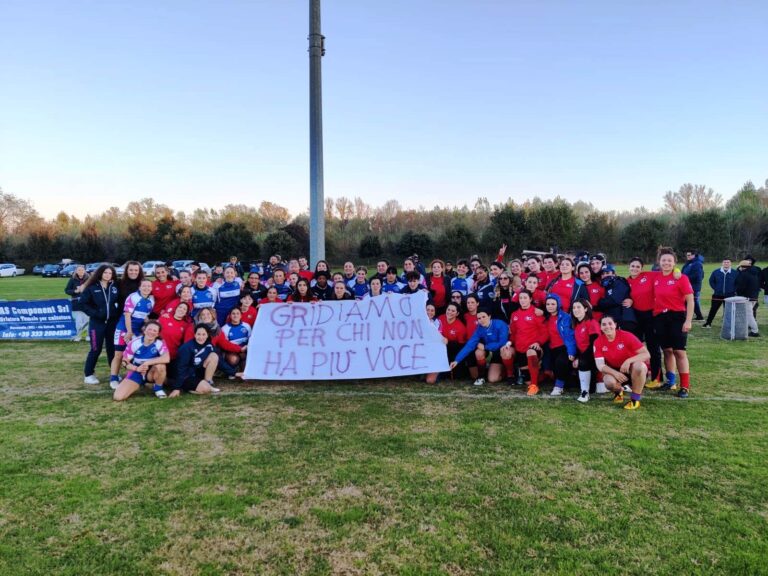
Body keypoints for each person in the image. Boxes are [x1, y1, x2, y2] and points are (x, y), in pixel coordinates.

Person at [653, 248, 694, 398]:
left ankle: (685, 386)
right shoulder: (655, 277)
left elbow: (690, 299)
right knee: (667, 351)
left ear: (674, 262)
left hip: (677, 317)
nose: (666, 263)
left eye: (670, 260)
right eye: (663, 260)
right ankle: (671, 382)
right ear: (659, 262)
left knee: (679, 351)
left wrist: (688, 320)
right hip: (660, 318)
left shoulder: (681, 277)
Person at [594, 316, 651, 410]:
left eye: (610, 323)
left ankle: (635, 400)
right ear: (600, 327)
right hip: (616, 370)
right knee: (608, 382)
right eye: (603, 324)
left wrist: (628, 361)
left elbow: (646, 354)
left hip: (632, 369)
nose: (607, 326)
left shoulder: (626, 336)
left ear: (615, 325)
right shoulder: (598, 341)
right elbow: (600, 365)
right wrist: (615, 373)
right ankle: (619, 391)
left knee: (640, 366)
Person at [110, 279, 155, 390]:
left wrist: (148, 327)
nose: (146, 288)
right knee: (119, 354)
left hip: (138, 331)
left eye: (149, 286)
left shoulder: (151, 300)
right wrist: (129, 332)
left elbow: (145, 317)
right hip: (124, 329)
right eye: (144, 286)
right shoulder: (133, 297)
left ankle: (132, 378)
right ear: (139, 287)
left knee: (136, 355)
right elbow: (127, 315)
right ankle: (113, 378)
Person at [501, 290, 548, 395]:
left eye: (525, 298)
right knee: (505, 351)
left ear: (530, 299)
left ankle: (534, 386)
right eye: (520, 298)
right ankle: (511, 376)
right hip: (520, 350)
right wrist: (509, 343)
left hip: (533, 349)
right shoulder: (514, 315)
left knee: (531, 352)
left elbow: (545, 332)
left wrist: (538, 343)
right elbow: (513, 333)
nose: (522, 300)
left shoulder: (536, 312)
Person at [80, 264, 120, 385]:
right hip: (97, 323)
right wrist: (96, 313)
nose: (108, 275)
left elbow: (119, 302)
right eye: (105, 273)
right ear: (100, 274)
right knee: (95, 349)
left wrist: (116, 312)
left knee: (112, 349)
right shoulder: (92, 287)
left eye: (110, 273)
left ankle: (114, 374)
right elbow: (83, 303)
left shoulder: (114, 287)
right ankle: (88, 374)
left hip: (112, 323)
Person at [113, 320, 170, 401]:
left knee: (161, 366)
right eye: (150, 329)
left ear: (157, 334)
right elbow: (125, 362)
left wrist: (147, 363)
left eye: (155, 331)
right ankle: (137, 383)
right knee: (118, 397)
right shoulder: (134, 342)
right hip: (137, 370)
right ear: (144, 330)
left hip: (151, 372)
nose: (151, 332)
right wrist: (136, 368)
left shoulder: (159, 343)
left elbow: (166, 358)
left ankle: (158, 388)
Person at [627, 257, 663, 385]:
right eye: (632, 266)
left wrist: (676, 270)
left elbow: (665, 271)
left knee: (653, 347)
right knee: (636, 348)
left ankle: (656, 378)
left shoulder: (649, 276)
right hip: (635, 317)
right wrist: (629, 300)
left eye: (638, 266)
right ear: (628, 267)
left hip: (650, 316)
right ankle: (636, 374)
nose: (635, 268)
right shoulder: (626, 282)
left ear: (642, 268)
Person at [449, 307, 509, 386]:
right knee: (492, 379)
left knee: (505, 351)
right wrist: (457, 360)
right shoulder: (479, 329)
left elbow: (502, 343)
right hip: (494, 353)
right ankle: (481, 376)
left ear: (489, 316)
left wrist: (485, 347)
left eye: (483, 317)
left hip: (503, 350)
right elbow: (470, 345)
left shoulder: (500, 324)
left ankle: (510, 374)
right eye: (479, 318)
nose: (481, 320)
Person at [169, 325, 220, 398]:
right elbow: (181, 368)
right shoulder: (186, 348)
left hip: (195, 371)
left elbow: (219, 359)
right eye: (198, 334)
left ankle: (207, 382)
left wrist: (233, 372)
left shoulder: (208, 344)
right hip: (186, 375)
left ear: (207, 335)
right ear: (195, 335)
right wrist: (177, 388)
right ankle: (184, 388)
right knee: (205, 389)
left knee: (214, 355)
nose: (201, 337)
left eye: (203, 334)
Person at [544, 295, 577, 397]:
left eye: (553, 304)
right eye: (548, 304)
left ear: (558, 304)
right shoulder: (546, 318)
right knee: (549, 370)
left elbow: (569, 336)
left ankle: (558, 387)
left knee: (561, 362)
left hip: (564, 347)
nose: (550, 306)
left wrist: (571, 351)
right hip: (551, 348)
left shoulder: (565, 317)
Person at [570, 298, 602, 403]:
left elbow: (594, 344)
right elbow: (580, 346)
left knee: (583, 362)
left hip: (594, 355)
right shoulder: (577, 325)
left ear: (585, 309)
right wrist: (576, 357)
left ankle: (585, 392)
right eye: (574, 307)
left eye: (579, 307)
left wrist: (580, 359)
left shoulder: (592, 322)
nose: (576, 310)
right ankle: (588, 386)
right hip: (585, 355)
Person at [597, 265, 636, 333]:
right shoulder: (606, 286)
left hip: (624, 321)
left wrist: (600, 303)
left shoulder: (619, 282)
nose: (605, 275)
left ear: (614, 273)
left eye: (607, 273)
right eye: (603, 274)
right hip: (615, 321)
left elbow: (615, 300)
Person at [702, 258, 738, 327]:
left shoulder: (735, 273)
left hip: (730, 295)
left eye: (728, 262)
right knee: (713, 309)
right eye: (725, 262)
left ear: (730, 263)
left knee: (729, 311)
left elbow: (737, 283)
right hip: (717, 295)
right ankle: (708, 323)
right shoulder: (716, 272)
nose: (726, 263)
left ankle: (728, 324)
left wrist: (733, 290)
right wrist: (716, 288)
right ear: (722, 263)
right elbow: (711, 281)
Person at [221, 307, 251, 376]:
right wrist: (237, 349)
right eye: (233, 314)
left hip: (244, 349)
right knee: (233, 359)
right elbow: (225, 344)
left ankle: (243, 373)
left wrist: (246, 347)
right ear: (230, 316)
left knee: (245, 357)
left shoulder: (246, 326)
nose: (235, 315)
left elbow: (250, 339)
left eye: (238, 313)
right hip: (232, 350)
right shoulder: (225, 328)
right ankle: (232, 372)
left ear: (241, 315)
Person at [735, 259, 761, 337]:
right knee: (748, 314)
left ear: (742, 267)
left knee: (749, 315)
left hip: (747, 298)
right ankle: (745, 328)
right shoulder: (754, 273)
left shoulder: (744, 274)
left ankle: (755, 331)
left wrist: (738, 294)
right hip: (754, 297)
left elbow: (740, 287)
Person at [65, 264, 90, 341]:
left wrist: (85, 290)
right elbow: (67, 290)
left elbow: (93, 289)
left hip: (87, 303)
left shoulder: (89, 279)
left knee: (87, 320)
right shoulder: (72, 279)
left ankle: (88, 336)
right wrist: (75, 291)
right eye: (79, 270)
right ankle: (78, 335)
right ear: (76, 271)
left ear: (85, 271)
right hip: (76, 303)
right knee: (78, 321)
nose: (81, 271)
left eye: (82, 270)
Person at [682, 250, 705, 320]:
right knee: (688, 301)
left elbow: (698, 276)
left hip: (693, 286)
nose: (687, 257)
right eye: (687, 255)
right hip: (687, 285)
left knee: (692, 301)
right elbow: (683, 272)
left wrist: (684, 279)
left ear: (693, 255)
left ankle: (699, 316)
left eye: (689, 255)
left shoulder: (697, 264)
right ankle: (688, 315)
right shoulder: (688, 263)